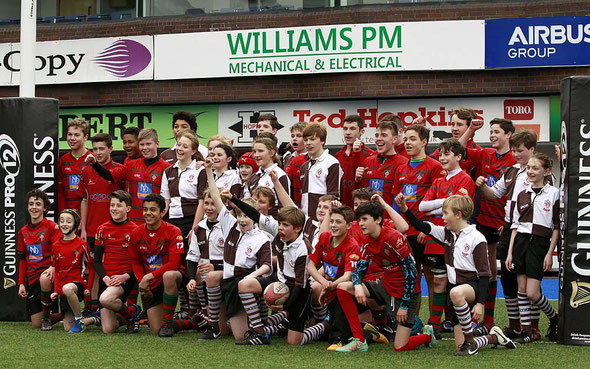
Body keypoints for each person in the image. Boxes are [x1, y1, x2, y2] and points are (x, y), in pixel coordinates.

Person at [397, 194, 517, 356]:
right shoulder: (447, 234)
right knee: (460, 347)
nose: (443, 217)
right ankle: (493, 337)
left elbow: (484, 275)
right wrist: (405, 209)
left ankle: (470, 342)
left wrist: (480, 303)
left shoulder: (477, 238)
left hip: (472, 287)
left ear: (458, 214)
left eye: (446, 213)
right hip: (456, 293)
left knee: (455, 292)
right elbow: (422, 226)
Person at [335, 201, 433, 353]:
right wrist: (357, 285)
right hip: (385, 285)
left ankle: (426, 335)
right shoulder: (367, 241)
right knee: (343, 288)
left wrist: (405, 305)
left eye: (365, 219)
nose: (361, 224)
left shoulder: (394, 238)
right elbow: (359, 270)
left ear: (378, 220)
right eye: (359, 219)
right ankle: (359, 341)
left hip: (406, 293)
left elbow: (412, 273)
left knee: (400, 347)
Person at [475, 129, 539, 339]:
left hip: (531, 232)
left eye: (520, 150)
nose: (516, 154)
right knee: (508, 278)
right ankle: (514, 325)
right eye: (513, 150)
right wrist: (483, 187)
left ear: (531, 149)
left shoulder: (540, 172)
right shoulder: (512, 171)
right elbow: (495, 194)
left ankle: (533, 326)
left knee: (528, 281)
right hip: (510, 228)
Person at [200, 158, 272, 342]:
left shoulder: (262, 238)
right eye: (240, 214)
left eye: (247, 215)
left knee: (240, 337)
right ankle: (213, 325)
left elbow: (266, 266)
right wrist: (209, 170)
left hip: (246, 281)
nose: (242, 219)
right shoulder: (229, 224)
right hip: (229, 279)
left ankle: (268, 326)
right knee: (212, 276)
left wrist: (250, 277)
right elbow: (216, 197)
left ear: (255, 217)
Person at [460, 118, 516, 335]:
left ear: (508, 135)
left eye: (496, 132)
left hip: (506, 223)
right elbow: (459, 149)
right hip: (484, 219)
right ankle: (489, 319)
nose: (492, 135)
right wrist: (471, 130)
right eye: (490, 131)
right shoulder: (485, 154)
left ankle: (518, 323)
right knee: (488, 269)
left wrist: (509, 222)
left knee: (509, 272)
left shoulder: (515, 160)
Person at [419, 138, 475, 337]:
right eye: (440, 154)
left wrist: (437, 204)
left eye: (447, 154)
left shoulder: (465, 179)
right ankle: (434, 325)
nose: (442, 158)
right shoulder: (438, 180)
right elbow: (422, 206)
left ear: (459, 157)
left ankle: (464, 322)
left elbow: (460, 207)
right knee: (439, 281)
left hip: (457, 238)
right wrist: (445, 202)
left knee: (459, 281)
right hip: (437, 237)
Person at [392, 124, 444, 331]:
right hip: (406, 232)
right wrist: (396, 226)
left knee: (432, 277)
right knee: (411, 277)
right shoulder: (401, 168)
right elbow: (397, 201)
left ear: (424, 142)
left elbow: (440, 200)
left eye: (412, 139)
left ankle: (435, 323)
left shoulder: (434, 166)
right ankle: (413, 322)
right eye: (406, 139)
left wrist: (427, 229)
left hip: (426, 231)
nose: (408, 143)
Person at [506, 153, 559, 343]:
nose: (530, 171)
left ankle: (554, 317)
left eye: (535, 168)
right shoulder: (522, 194)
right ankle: (527, 331)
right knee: (521, 288)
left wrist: (549, 253)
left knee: (532, 293)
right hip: (521, 241)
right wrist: (510, 252)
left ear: (546, 172)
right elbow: (514, 225)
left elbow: (556, 227)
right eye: (528, 168)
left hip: (540, 243)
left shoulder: (554, 194)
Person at [128, 193, 185, 337]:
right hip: (151, 282)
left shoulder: (173, 231)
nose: (148, 213)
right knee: (155, 330)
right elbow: (135, 261)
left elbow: (174, 263)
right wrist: (143, 281)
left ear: (163, 212)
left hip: (172, 277)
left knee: (169, 275)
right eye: (145, 209)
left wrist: (148, 277)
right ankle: (193, 322)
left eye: (153, 209)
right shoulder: (136, 233)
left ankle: (167, 324)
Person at [85, 128, 171, 224]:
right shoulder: (130, 165)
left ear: (157, 144)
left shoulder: (167, 168)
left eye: (148, 144)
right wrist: (94, 164)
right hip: (133, 222)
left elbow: (168, 198)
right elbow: (110, 176)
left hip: (155, 222)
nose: (145, 148)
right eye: (142, 144)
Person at [80, 133, 122, 315]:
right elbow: (84, 199)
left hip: (112, 229)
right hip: (91, 228)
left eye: (101, 149)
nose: (97, 152)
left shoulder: (119, 169)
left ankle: (111, 305)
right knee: (92, 267)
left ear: (110, 149)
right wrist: (82, 227)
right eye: (94, 149)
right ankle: (91, 305)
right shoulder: (86, 170)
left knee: (109, 267)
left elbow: (109, 177)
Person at [308, 205, 359, 348]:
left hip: (344, 292)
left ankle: (365, 331)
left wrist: (329, 286)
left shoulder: (352, 245)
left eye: (338, 222)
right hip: (329, 288)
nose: (333, 225)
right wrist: (324, 282)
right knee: (313, 286)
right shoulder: (324, 237)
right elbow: (310, 266)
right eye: (332, 221)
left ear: (349, 225)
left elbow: (348, 276)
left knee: (336, 337)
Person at [94, 190, 142, 334]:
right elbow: (96, 261)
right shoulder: (102, 229)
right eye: (112, 205)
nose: (114, 208)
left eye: (119, 205)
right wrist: (105, 278)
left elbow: (140, 262)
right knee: (108, 329)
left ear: (128, 209)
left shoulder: (135, 230)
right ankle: (131, 313)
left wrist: (125, 276)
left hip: (124, 279)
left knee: (106, 299)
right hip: (107, 280)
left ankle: (131, 316)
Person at [17, 189, 61, 330]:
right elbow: (23, 259)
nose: (34, 207)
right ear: (27, 207)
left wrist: (53, 267)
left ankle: (47, 318)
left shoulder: (52, 227)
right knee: (36, 324)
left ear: (45, 207)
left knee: (45, 278)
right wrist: (21, 283)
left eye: (38, 204)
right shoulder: (22, 232)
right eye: (31, 204)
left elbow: (58, 250)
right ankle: (65, 314)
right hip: (32, 278)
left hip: (48, 274)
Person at [51, 209, 91, 333]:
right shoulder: (56, 245)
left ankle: (79, 319)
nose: (64, 224)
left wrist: (88, 287)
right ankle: (94, 319)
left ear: (75, 224)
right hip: (63, 289)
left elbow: (90, 267)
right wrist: (55, 291)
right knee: (68, 328)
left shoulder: (82, 244)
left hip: (76, 285)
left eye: (68, 221)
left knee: (68, 288)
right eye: (61, 221)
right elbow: (57, 270)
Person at [355, 120, 406, 209]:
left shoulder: (403, 163)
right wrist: (357, 180)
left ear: (394, 139)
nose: (379, 138)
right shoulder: (367, 162)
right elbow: (358, 195)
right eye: (376, 135)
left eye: (384, 135)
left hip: (389, 219)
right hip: (368, 217)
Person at [300, 122, 343, 221]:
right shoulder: (304, 166)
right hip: (305, 219)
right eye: (306, 140)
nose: (308, 143)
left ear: (322, 140)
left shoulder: (332, 163)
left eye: (312, 139)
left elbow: (334, 196)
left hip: (324, 219)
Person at [334, 115, 375, 208]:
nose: (348, 133)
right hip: (342, 208)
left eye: (352, 129)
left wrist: (357, 152)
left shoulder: (370, 155)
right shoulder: (337, 156)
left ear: (362, 132)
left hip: (362, 208)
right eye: (345, 129)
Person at [243, 136, 290, 215]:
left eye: (260, 151)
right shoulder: (253, 177)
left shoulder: (280, 175)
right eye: (254, 151)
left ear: (271, 153)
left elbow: (284, 207)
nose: (256, 155)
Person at [57, 118, 91, 215]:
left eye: (76, 135)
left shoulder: (92, 159)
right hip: (68, 216)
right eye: (69, 134)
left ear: (85, 137)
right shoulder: (63, 161)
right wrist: (62, 214)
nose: (72, 138)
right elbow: (60, 192)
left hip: (88, 215)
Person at [284, 121, 309, 207]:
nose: (294, 139)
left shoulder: (309, 159)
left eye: (299, 136)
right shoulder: (288, 157)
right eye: (292, 136)